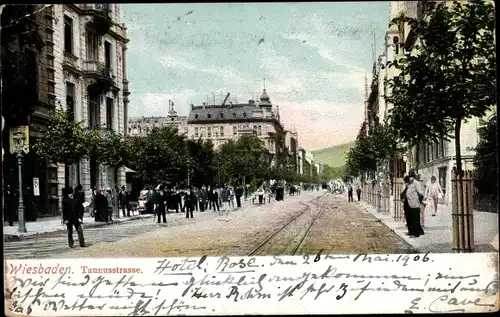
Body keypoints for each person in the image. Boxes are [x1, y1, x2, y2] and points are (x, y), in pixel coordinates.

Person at [405, 171, 425, 238]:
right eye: (410, 177)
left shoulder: (416, 183)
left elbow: (420, 193)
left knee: (415, 219)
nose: (410, 178)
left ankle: (415, 233)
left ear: (414, 177)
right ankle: (411, 231)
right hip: (409, 203)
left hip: (415, 203)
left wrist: (420, 200)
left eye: (411, 177)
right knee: (409, 218)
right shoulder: (409, 184)